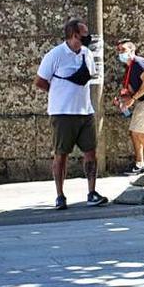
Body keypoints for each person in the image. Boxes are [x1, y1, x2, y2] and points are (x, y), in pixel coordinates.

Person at [35, 18, 110, 210]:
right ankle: (60, 195)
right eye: (85, 34)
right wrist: (60, 92)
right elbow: (40, 82)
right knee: (61, 154)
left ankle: (92, 192)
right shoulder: (55, 55)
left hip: (85, 111)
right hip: (62, 113)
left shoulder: (86, 53)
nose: (88, 37)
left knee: (91, 153)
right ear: (74, 35)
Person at [115, 39, 144, 175]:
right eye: (119, 50)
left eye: (123, 50)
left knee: (139, 131)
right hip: (143, 101)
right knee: (135, 132)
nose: (120, 53)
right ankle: (140, 164)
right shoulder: (130, 67)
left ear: (132, 51)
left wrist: (132, 99)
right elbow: (132, 89)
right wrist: (122, 100)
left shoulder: (138, 63)